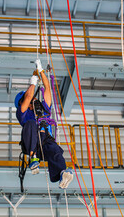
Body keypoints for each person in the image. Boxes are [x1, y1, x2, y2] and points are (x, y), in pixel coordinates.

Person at [14, 59, 73, 189]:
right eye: (28, 98)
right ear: (22, 103)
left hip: (46, 141)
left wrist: (41, 70)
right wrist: (33, 80)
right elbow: (28, 97)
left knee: (55, 150)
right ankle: (33, 157)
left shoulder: (44, 109)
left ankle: (61, 173)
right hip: (33, 145)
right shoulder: (22, 114)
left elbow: (47, 88)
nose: (34, 97)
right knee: (30, 124)